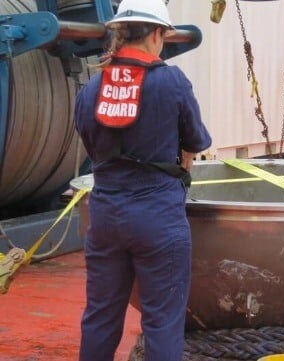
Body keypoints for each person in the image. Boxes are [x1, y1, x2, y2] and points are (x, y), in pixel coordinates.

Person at [73, 0, 212, 360]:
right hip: (158, 216)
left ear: (119, 33)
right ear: (155, 33)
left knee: (100, 315)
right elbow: (196, 141)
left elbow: (91, 143)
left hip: (105, 215)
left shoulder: (91, 88)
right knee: (162, 321)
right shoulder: (171, 81)